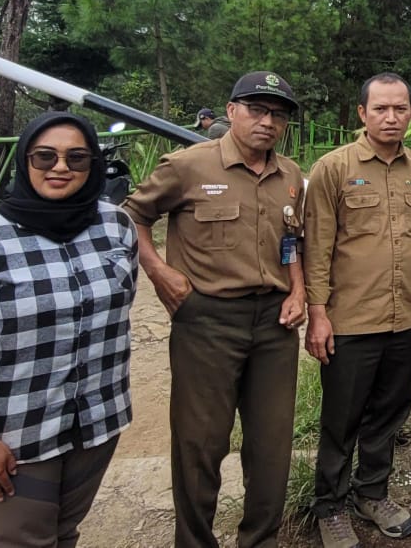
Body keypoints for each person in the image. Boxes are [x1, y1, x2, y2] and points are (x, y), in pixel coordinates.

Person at [0, 111, 137, 548]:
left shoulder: (115, 226)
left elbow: (117, 313)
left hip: (95, 424)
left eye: (77, 158)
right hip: (14, 435)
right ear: (25, 161)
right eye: (46, 157)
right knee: (21, 541)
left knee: (62, 534)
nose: (60, 167)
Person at [123, 71, 307, 548]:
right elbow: (132, 215)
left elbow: (292, 241)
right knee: (200, 445)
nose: (267, 122)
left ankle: (260, 540)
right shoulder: (188, 166)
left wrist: (298, 290)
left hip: (274, 326)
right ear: (231, 112)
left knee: (271, 447)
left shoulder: (289, 176)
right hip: (207, 323)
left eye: (278, 115)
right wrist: (160, 272)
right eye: (256, 110)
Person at [304, 73, 411, 547]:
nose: (391, 116)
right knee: (342, 418)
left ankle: (372, 493)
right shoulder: (333, 168)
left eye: (400, 108)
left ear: (410, 113)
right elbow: (315, 248)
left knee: (389, 413)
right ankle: (330, 506)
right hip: (350, 320)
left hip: (407, 318)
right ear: (362, 113)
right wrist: (318, 314)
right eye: (381, 108)